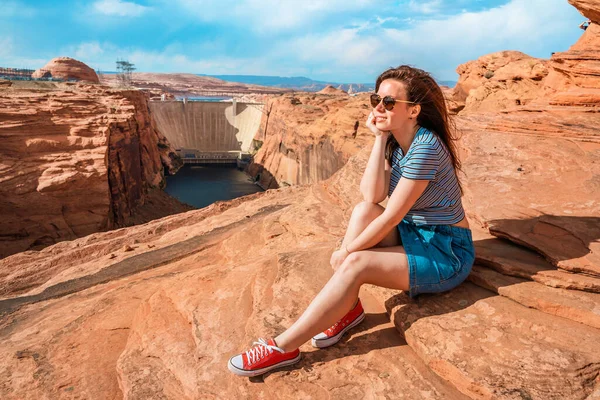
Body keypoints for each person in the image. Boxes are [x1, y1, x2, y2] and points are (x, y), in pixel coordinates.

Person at [227, 65, 476, 377]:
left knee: (355, 263)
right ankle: (348, 308)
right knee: (362, 211)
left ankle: (283, 347)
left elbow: (391, 217)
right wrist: (379, 139)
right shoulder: (399, 141)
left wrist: (347, 253)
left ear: (413, 111)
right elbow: (372, 196)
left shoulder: (425, 147)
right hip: (416, 235)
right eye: (376, 99)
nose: (379, 108)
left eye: (389, 102)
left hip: (446, 252)